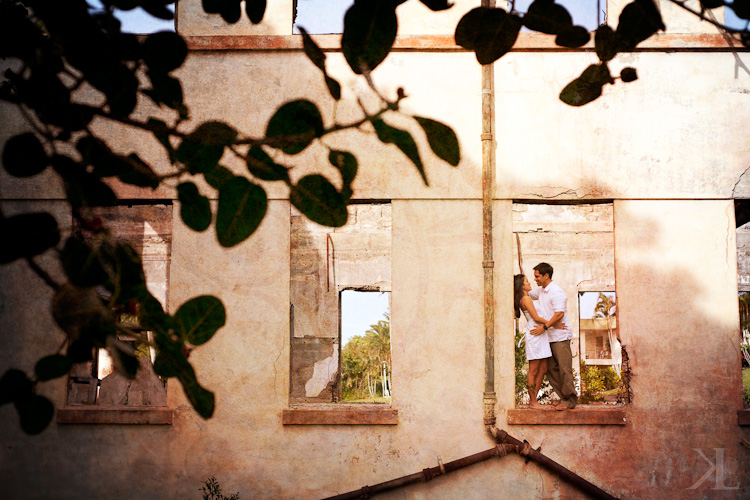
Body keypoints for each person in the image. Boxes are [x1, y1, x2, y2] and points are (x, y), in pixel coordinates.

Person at [528, 262, 578, 411]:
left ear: (546, 275)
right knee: (550, 369)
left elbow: (559, 314)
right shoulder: (542, 291)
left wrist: (544, 326)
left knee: (564, 369)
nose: (535, 279)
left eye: (537, 276)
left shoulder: (556, 292)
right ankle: (563, 397)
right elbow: (528, 294)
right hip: (548, 337)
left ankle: (570, 400)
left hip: (560, 337)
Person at [514, 274, 563, 410]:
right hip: (535, 332)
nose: (530, 282)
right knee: (534, 370)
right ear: (521, 285)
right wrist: (554, 324)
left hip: (541, 333)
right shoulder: (525, 299)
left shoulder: (528, 297)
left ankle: (533, 399)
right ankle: (533, 400)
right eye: (527, 281)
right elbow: (536, 317)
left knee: (543, 369)